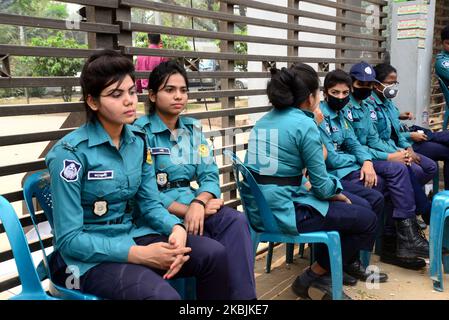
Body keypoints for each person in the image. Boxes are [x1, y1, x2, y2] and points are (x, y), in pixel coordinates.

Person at [45, 50, 231, 300]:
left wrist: (175, 228)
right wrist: (139, 254)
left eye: (132, 91)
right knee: (164, 297)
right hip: (83, 261)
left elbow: (150, 203)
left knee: (214, 255)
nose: (129, 101)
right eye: (116, 94)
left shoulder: (138, 143)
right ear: (92, 101)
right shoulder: (70, 155)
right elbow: (69, 240)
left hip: (132, 234)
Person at [245, 63, 384, 300]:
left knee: (356, 207)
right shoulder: (304, 124)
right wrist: (335, 192)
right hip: (286, 212)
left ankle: (327, 273)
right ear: (310, 97)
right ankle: (314, 275)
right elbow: (321, 185)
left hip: (262, 209)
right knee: (367, 218)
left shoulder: (265, 120)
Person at [133, 60, 256, 300]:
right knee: (214, 247)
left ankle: (245, 300)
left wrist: (200, 202)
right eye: (169, 90)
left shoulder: (193, 130)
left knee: (237, 221)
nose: (178, 96)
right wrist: (187, 210)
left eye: (183, 90)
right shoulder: (140, 133)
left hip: (195, 206)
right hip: (161, 213)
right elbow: (144, 192)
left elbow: (209, 174)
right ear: (152, 95)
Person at [319, 67, 428, 270]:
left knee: (394, 181)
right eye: (335, 93)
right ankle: (372, 251)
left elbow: (354, 143)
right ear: (325, 93)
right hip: (337, 174)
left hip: (356, 166)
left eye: (344, 93)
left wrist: (367, 161)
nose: (341, 97)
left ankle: (398, 242)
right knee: (393, 178)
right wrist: (362, 160)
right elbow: (332, 159)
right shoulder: (321, 117)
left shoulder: (341, 113)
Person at [373, 63, 449, 191]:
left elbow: (392, 121)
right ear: (376, 84)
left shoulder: (387, 100)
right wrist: (410, 138)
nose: (392, 87)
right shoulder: (370, 105)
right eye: (389, 83)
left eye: (395, 83)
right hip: (404, 142)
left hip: (408, 137)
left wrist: (401, 116)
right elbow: (387, 135)